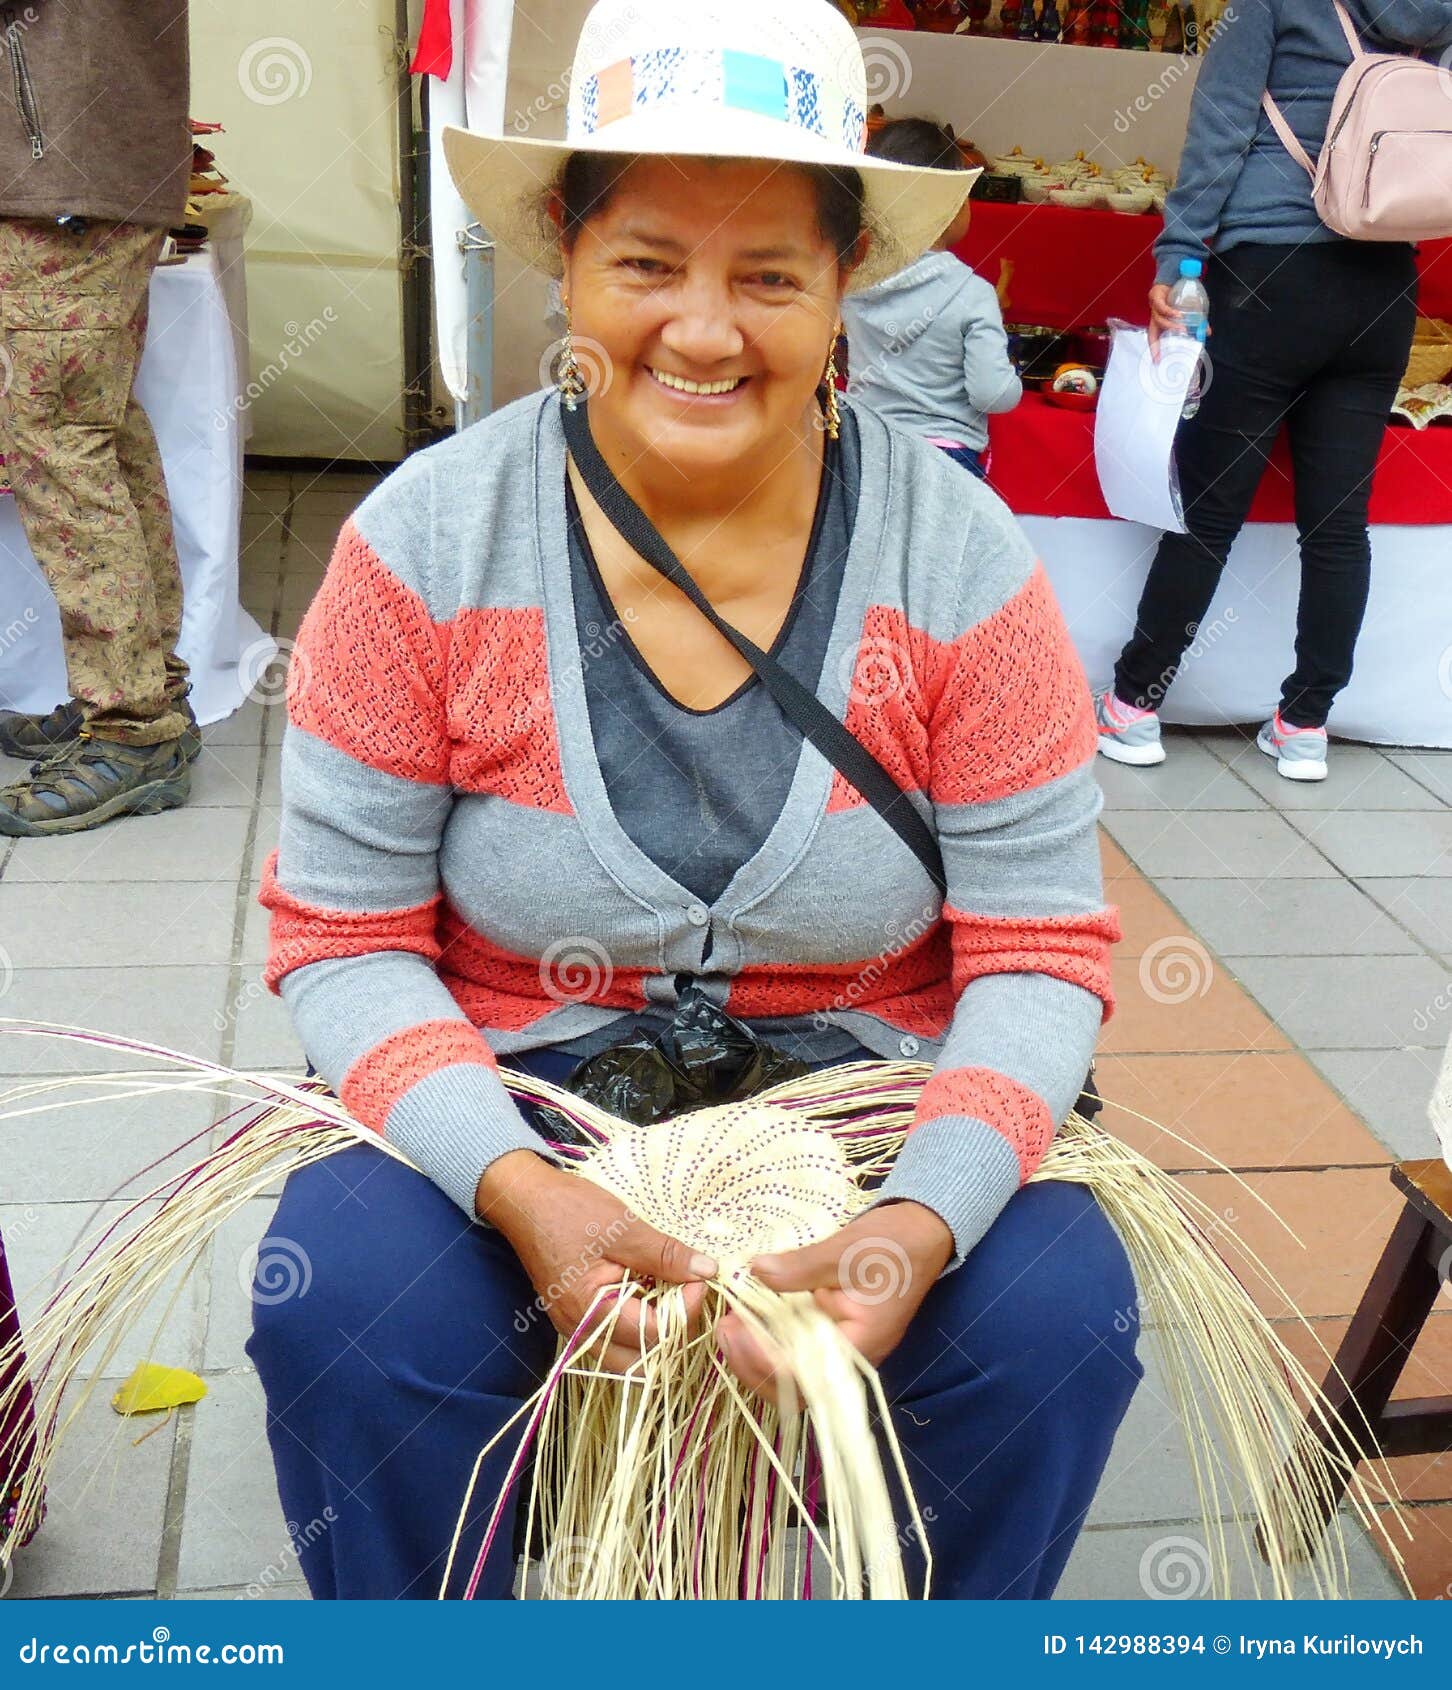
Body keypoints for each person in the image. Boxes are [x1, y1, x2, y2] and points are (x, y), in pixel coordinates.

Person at [248, 0, 1136, 1600]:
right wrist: (519, 1187)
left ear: (847, 286)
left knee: (1056, 1322)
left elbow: (1040, 952)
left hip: (873, 1089)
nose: (705, 331)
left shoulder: (962, 560)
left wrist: (917, 1224)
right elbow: (340, 935)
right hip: (518, 1082)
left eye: (770, 276)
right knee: (348, 1304)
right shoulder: (426, 543)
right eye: (647, 263)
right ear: (565, 266)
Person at [1096, 0, 1452, 782]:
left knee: (1209, 511)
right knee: (1337, 526)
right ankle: (1306, 723)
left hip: (1269, 274)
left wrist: (1180, 260)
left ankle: (1134, 706)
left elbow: (1221, 128)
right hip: (1388, 287)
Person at [0, 0, 200, 837]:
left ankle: (132, 727)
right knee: (99, 428)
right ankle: (145, 692)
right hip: (88, 161)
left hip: (65, 168)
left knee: (57, 437)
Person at [840, 117, 1021, 478]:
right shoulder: (972, 293)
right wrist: (1011, 375)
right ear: (947, 204)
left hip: (866, 446)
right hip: (946, 461)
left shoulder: (853, 281)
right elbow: (992, 393)